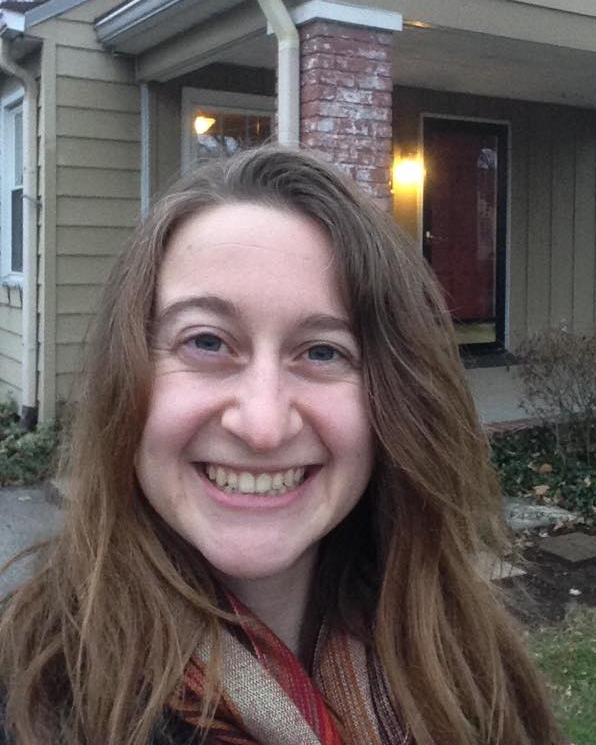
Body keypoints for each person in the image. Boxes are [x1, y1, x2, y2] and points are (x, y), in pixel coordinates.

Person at [0, 146, 561, 745]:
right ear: (124, 380)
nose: (263, 425)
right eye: (207, 342)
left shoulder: (467, 667)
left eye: (323, 351)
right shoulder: (31, 701)